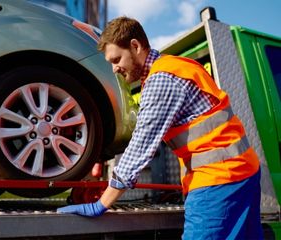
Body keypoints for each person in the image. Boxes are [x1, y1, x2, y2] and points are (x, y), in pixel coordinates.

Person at [57, 16, 263, 239]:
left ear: (135, 46)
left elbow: (140, 146)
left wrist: (102, 204)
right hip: (244, 171)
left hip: (219, 181)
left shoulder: (161, 79)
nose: (115, 68)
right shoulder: (175, 66)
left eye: (117, 59)